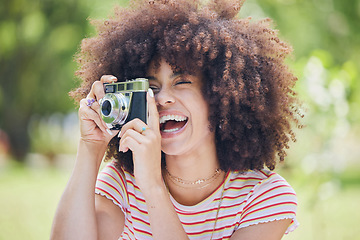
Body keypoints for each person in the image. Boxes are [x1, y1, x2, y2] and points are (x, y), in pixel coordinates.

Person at [50, 0, 303, 239]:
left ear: (220, 95)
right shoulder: (122, 183)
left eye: (182, 82)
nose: (162, 99)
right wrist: (90, 147)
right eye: (151, 86)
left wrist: (153, 186)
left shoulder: (265, 196)